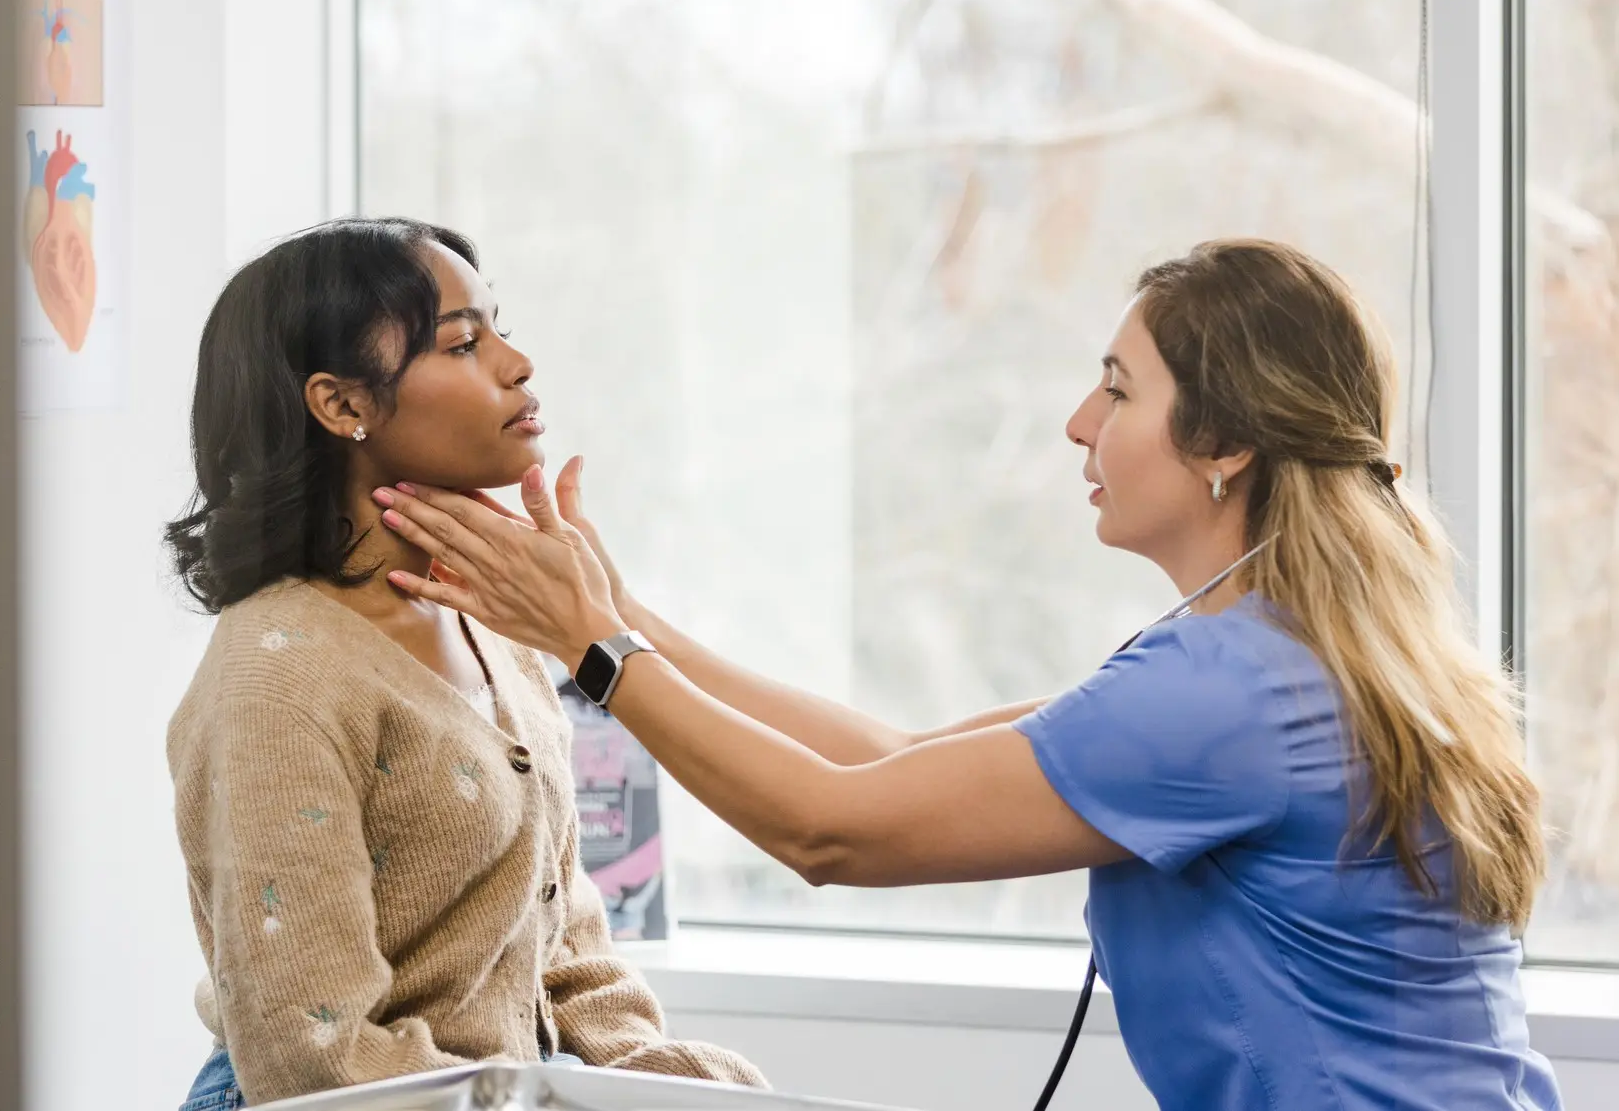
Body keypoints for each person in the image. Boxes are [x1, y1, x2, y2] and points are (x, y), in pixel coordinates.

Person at [372, 238, 1564, 1110]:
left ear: (1227, 443)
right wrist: (626, 617)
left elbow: (834, 832)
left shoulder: (1229, 692)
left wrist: (595, 649)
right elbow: (889, 759)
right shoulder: (1283, 652)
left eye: (1117, 385)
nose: (1076, 422)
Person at [162, 217, 767, 1111]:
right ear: (342, 406)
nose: (517, 364)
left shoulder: (494, 625)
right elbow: (314, 1062)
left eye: (499, 328)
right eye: (463, 342)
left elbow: (562, 946)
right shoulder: (278, 680)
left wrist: (668, 1085)